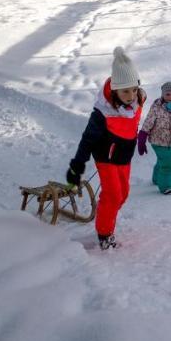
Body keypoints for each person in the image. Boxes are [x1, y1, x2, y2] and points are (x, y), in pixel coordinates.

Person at [66, 46, 144, 250]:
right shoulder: (102, 113)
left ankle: (106, 214)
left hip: (124, 156)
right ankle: (104, 234)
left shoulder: (138, 101)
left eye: (134, 89)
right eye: (126, 91)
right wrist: (77, 166)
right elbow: (87, 140)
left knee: (124, 193)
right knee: (113, 195)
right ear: (115, 88)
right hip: (105, 157)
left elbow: (132, 124)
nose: (131, 95)